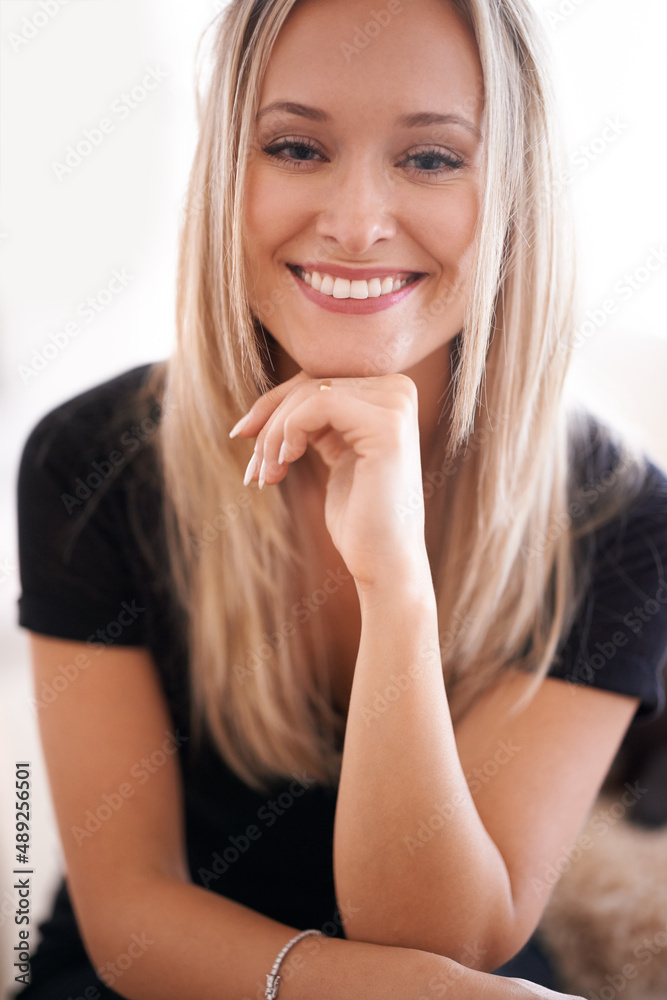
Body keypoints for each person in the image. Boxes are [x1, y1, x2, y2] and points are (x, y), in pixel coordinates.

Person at [12, 0, 667, 998]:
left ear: (516, 192)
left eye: (432, 159)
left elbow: (447, 931)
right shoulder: (94, 459)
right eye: (295, 147)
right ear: (231, 170)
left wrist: (394, 581)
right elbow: (130, 917)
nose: (357, 223)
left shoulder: (616, 518)